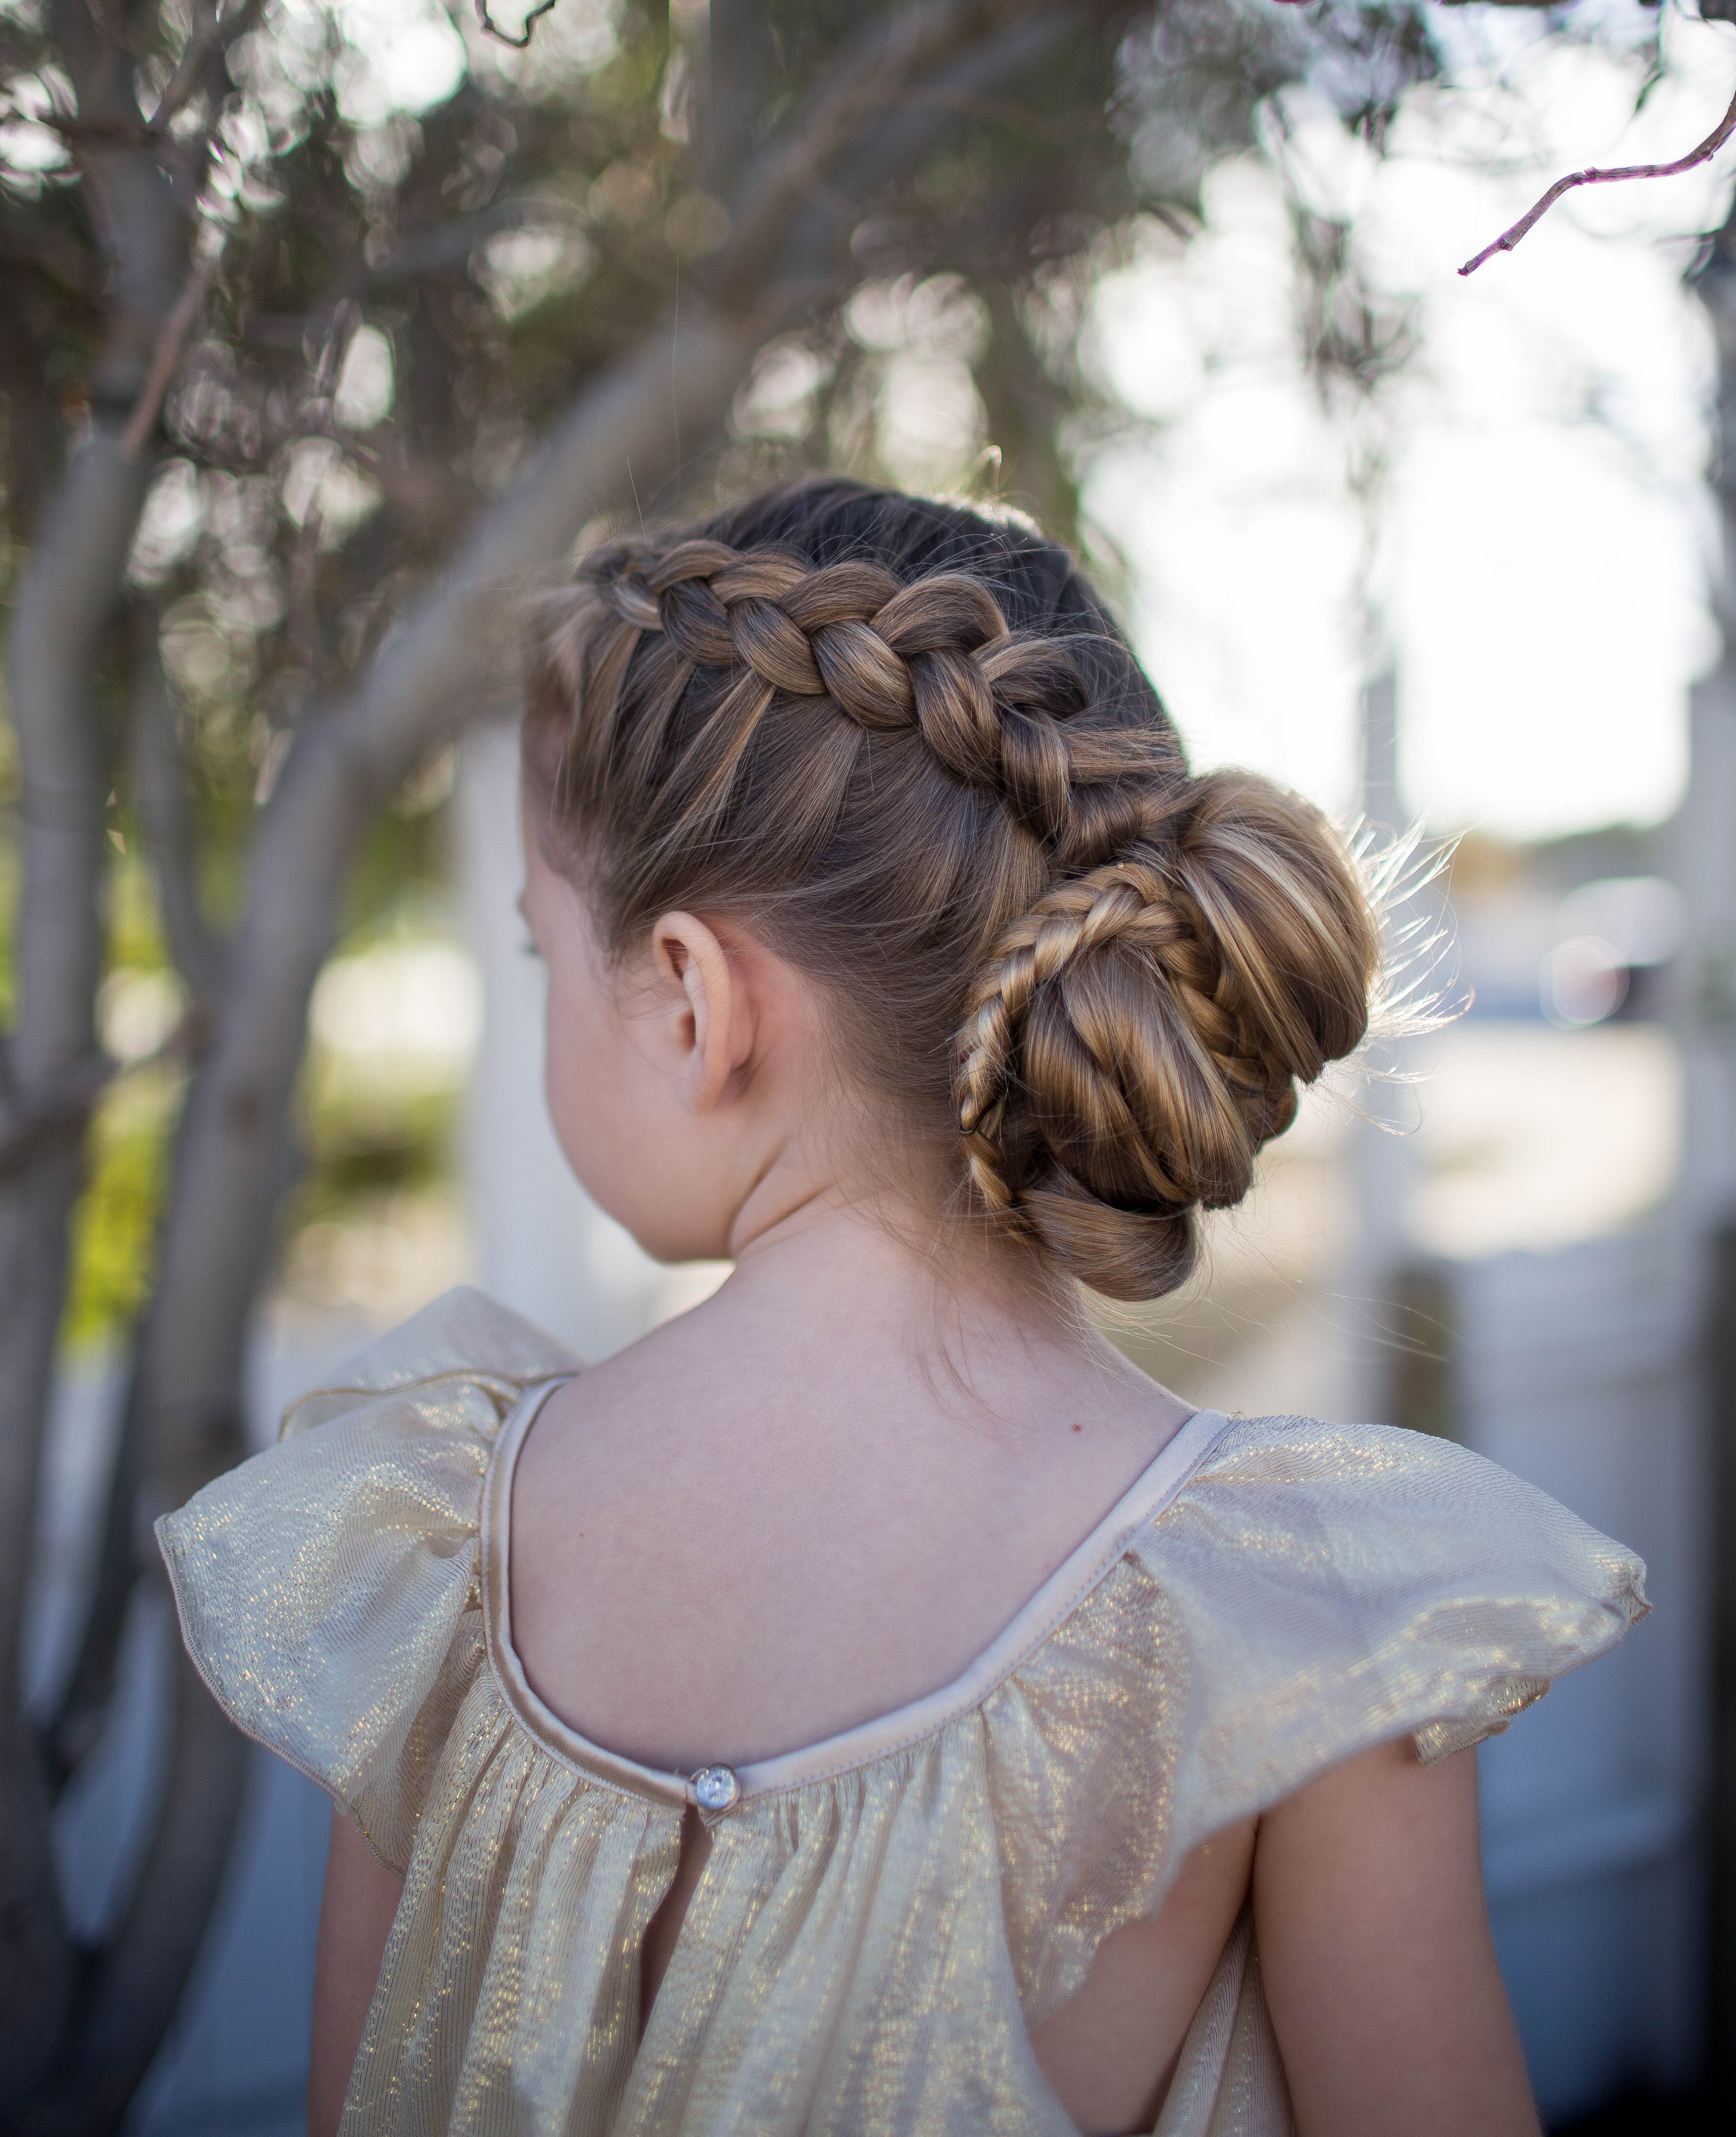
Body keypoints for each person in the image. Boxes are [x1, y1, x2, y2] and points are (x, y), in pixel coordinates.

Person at [159, 478, 1645, 2137]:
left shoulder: (436, 1541)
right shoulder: (1304, 1624)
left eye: (536, 951)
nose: (532, 996)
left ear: (689, 999)